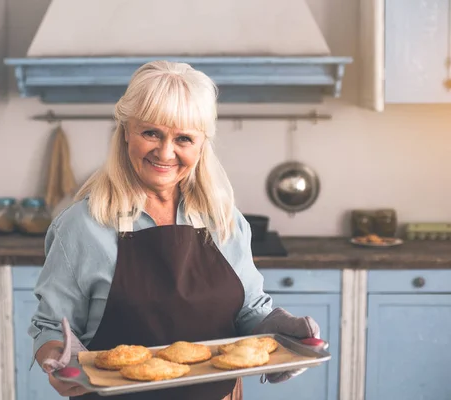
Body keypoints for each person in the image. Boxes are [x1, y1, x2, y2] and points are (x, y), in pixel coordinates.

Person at [29, 60, 320, 400]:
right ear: (125, 131)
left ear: (201, 145)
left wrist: (280, 334)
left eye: (183, 138)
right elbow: (51, 327)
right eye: (150, 132)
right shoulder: (81, 227)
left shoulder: (224, 220)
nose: (165, 152)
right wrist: (60, 360)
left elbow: (247, 310)